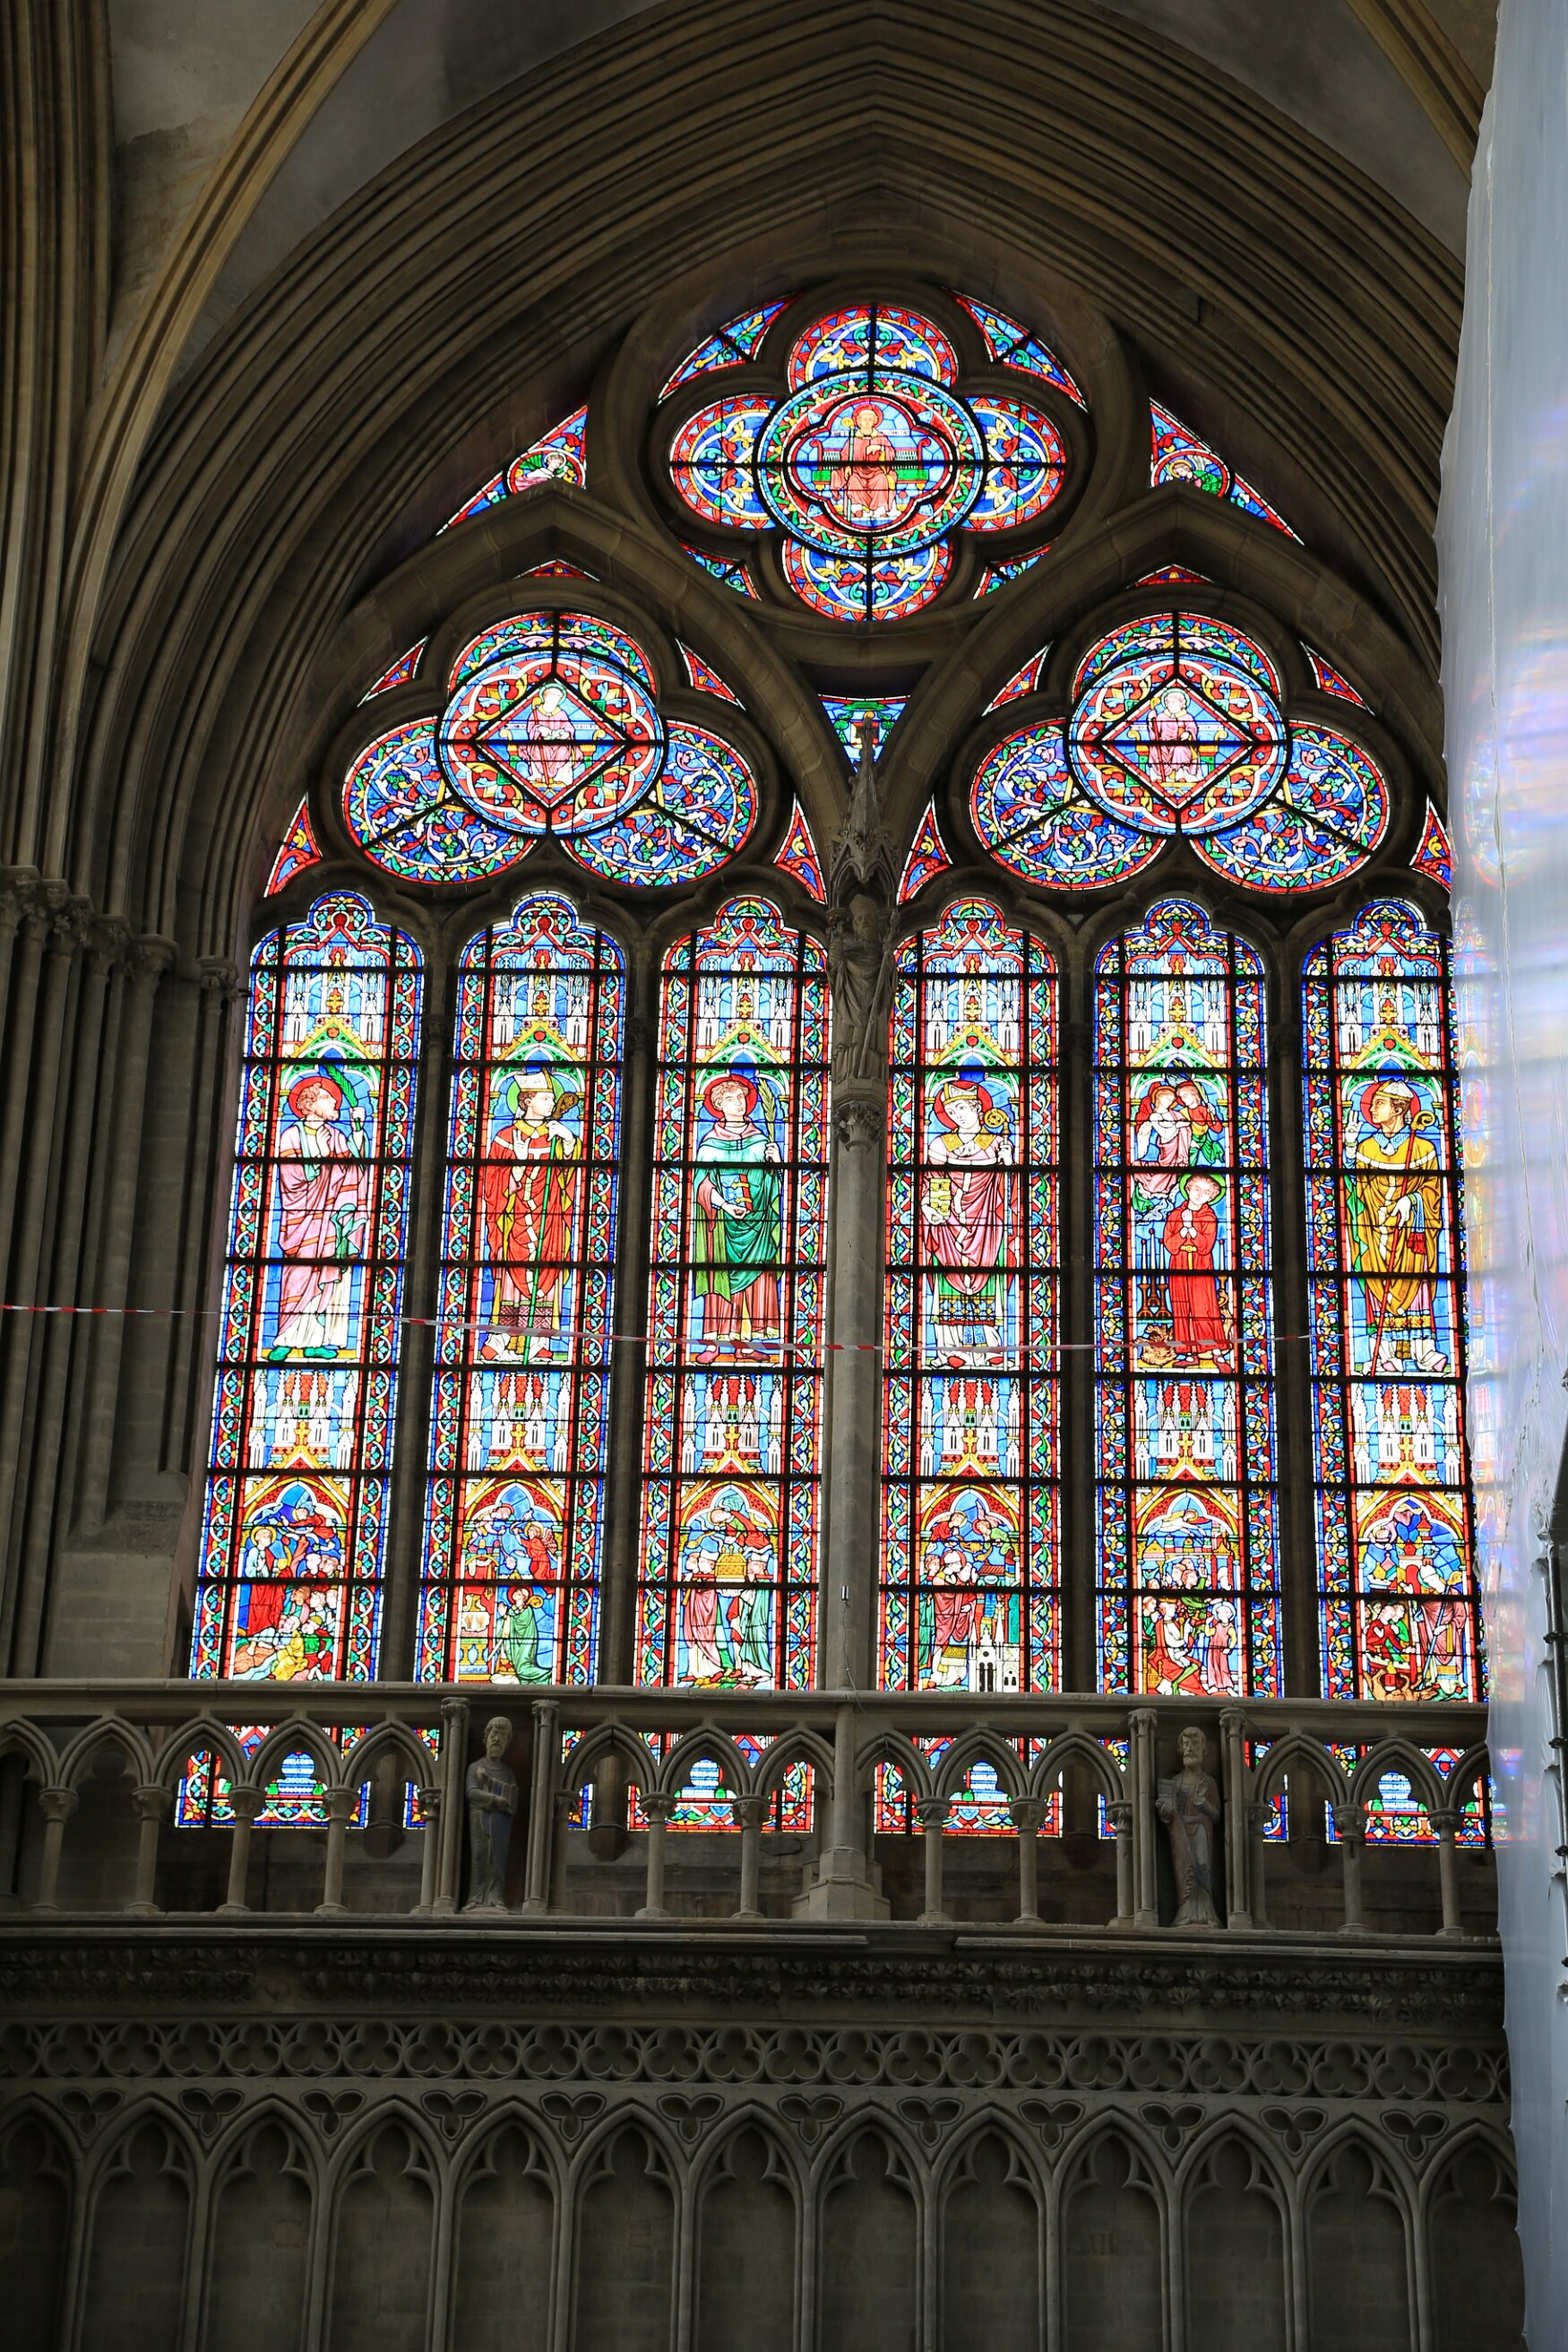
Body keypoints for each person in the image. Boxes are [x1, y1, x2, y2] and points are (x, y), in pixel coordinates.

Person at [478, 1065, 580, 1361]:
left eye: (552, 1099)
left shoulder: (556, 1136)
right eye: (546, 1098)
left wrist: (569, 1143)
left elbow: (568, 1178)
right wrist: (517, 1168)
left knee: (546, 1276)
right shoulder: (505, 1137)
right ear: (527, 1100)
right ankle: (502, 1338)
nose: (551, 1103)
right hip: (513, 1219)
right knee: (512, 1276)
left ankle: (537, 1341)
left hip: (550, 1219)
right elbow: (491, 1185)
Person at [270, 1069, 371, 1358]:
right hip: (302, 1220)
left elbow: (353, 1166)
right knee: (299, 1275)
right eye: (328, 1099)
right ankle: (287, 1338)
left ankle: (318, 1339)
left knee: (328, 1276)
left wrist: (358, 1131)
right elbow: (291, 1178)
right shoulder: (291, 1136)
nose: (335, 1103)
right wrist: (319, 1164)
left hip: (331, 1221)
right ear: (310, 1103)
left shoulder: (335, 1135)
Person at [1348, 1078, 1446, 1374]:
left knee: (1415, 1287)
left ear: (1399, 1108)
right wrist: (1350, 1150)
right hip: (1374, 1232)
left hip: (1411, 1235)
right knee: (1377, 1286)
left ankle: (1423, 1351)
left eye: (1379, 1103)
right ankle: (1384, 1353)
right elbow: (1355, 1191)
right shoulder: (1365, 1148)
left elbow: (1434, 1190)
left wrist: (1412, 1201)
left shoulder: (1423, 1148)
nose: (1371, 1109)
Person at [692, 1071, 783, 1361]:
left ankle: (748, 1342)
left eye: (741, 1097)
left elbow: (771, 1186)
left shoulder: (760, 1140)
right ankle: (714, 1344)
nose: (738, 1103)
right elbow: (702, 1185)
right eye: (731, 1098)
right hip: (722, 1223)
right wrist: (725, 1206)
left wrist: (776, 1164)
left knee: (757, 1279)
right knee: (721, 1279)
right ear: (719, 1105)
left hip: (757, 1223)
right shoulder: (710, 1144)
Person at [922, 1075, 1012, 1363]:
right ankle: (951, 1348)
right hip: (947, 1226)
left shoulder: (996, 1144)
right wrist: (929, 1208)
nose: (956, 1115)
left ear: (977, 1107)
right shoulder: (939, 1145)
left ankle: (990, 1345)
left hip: (986, 1224)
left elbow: (1008, 1191)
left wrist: (1009, 1164)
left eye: (961, 1108)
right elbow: (932, 1182)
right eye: (950, 1111)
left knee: (989, 1278)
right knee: (948, 1278)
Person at [1160, 1172, 1233, 1365]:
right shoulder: (1175, 1215)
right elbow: (1169, 1244)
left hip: (1201, 1266)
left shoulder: (1209, 1216)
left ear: (1212, 1197)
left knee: (1204, 1308)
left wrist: (1191, 1227)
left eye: (1206, 1192)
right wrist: (1183, 1229)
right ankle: (1190, 1354)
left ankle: (1217, 1353)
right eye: (1197, 1189)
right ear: (1188, 1189)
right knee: (1182, 1309)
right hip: (1179, 1265)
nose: (1200, 1194)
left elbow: (1205, 1246)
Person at [1157, 1725, 1222, 1926]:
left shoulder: (1209, 1782)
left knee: (1202, 1867)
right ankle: (1185, 1912)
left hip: (1202, 1832)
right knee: (1184, 1872)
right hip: (1180, 1834)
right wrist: (1166, 1812)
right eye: (1186, 1744)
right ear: (1180, 1749)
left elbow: (1216, 1816)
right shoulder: (1175, 1782)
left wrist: (1202, 1802)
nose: (1190, 1749)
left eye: (1194, 1744)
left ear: (1204, 1749)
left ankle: (1206, 1913)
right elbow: (1170, 1815)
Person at [464, 1717, 519, 1909]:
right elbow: (471, 1792)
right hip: (479, 1819)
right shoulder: (475, 1767)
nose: (497, 1739)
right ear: (486, 1738)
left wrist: (491, 1783)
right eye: (494, 1734)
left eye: (502, 1737)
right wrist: (494, 1799)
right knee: (479, 1856)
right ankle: (476, 1898)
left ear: (507, 1743)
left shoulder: (507, 1772)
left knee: (497, 1858)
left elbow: (513, 1796)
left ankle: (496, 1897)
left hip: (500, 1823)